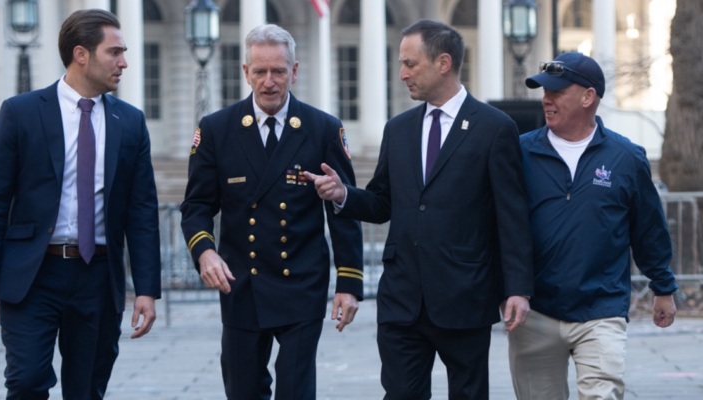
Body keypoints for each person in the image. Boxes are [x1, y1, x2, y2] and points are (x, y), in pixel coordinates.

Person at [304, 19, 533, 399]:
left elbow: (512, 216)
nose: (401, 74)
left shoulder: (495, 128)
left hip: (465, 297)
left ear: (443, 63)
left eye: (411, 64)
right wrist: (343, 194)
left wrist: (519, 288)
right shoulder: (398, 129)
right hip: (402, 299)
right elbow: (381, 203)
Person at [0, 9, 161, 399]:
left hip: (98, 276)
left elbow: (142, 212)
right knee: (25, 381)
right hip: (32, 275)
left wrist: (146, 289)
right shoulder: (20, 113)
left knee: (87, 389)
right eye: (115, 52)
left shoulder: (130, 122)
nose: (124, 62)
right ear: (81, 54)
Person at [179, 24, 363, 399]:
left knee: (296, 390)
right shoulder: (217, 129)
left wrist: (348, 283)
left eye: (278, 71)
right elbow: (196, 205)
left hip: (301, 282)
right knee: (243, 389)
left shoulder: (322, 128)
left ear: (294, 72)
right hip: (240, 281)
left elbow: (342, 209)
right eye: (259, 71)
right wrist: (204, 251)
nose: (269, 82)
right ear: (245, 72)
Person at [508, 52, 679, 400]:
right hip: (535, 312)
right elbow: (501, 224)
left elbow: (648, 227)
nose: (546, 99)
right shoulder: (518, 152)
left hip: (601, 310)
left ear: (588, 97)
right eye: (544, 91)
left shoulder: (626, 157)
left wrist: (664, 287)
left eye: (556, 91)